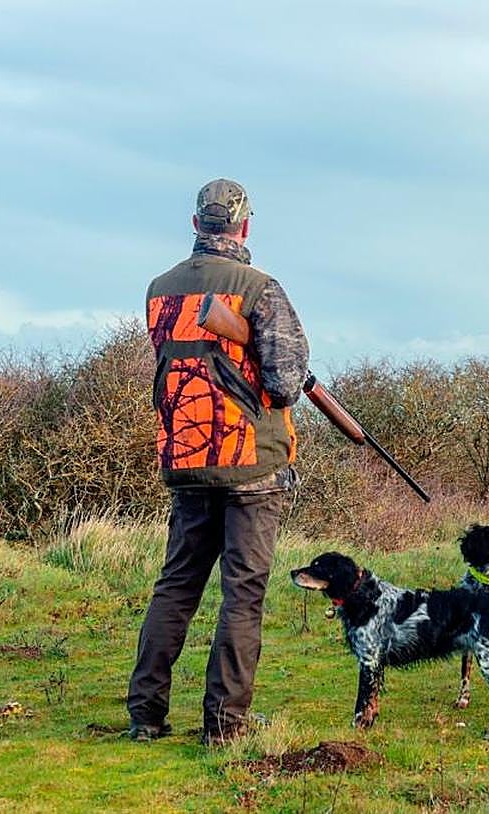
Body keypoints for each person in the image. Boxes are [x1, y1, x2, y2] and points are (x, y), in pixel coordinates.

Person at [127, 179, 309, 744]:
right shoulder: (261, 289)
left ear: (195, 224)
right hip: (250, 463)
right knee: (242, 593)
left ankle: (145, 716)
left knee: (176, 587)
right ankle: (225, 726)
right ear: (245, 225)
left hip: (185, 457)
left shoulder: (159, 289)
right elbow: (282, 384)